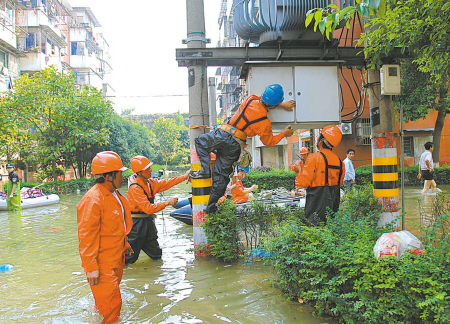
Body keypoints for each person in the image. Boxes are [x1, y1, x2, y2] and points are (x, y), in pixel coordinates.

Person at [191, 84, 295, 213]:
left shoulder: (250, 99)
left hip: (224, 134)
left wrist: (281, 104)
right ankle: (211, 207)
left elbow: (263, 100)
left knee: (200, 142)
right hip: (235, 145)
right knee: (221, 177)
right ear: (273, 105)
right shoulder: (264, 122)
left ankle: (205, 170)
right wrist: (284, 134)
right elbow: (269, 142)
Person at [76, 151, 133, 324]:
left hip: (116, 257)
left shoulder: (114, 193)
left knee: (108, 303)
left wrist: (126, 244)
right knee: (113, 308)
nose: (123, 177)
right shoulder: (93, 199)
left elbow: (114, 226)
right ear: (109, 176)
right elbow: (86, 236)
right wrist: (91, 267)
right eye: (120, 173)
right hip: (102, 263)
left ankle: (95, 314)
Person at [126, 155, 190, 265]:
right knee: (129, 258)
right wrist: (167, 203)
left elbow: (166, 183)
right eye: (147, 169)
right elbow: (148, 209)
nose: (150, 170)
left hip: (148, 223)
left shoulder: (149, 183)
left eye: (150, 167)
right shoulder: (135, 189)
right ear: (139, 172)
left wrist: (184, 177)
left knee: (156, 253)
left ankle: (156, 271)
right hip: (136, 226)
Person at [296, 125, 345, 225]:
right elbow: (339, 183)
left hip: (316, 202)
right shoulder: (340, 162)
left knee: (314, 228)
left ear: (321, 141)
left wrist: (298, 171)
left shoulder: (313, 158)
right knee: (330, 226)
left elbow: (303, 183)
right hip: (334, 202)